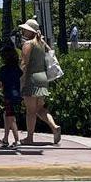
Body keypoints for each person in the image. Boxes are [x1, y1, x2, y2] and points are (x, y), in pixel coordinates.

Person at [18, 18, 61, 146]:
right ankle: (54, 127)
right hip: (43, 78)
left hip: (31, 79)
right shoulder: (41, 44)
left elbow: (24, 64)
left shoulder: (28, 44)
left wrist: (20, 80)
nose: (23, 31)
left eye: (25, 30)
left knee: (30, 111)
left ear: (30, 31)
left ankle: (29, 138)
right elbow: (50, 53)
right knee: (40, 108)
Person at [0, 40, 23, 149]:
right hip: (17, 95)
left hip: (8, 96)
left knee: (10, 117)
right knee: (7, 116)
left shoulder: (3, 70)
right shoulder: (18, 69)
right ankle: (5, 139)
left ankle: (17, 140)